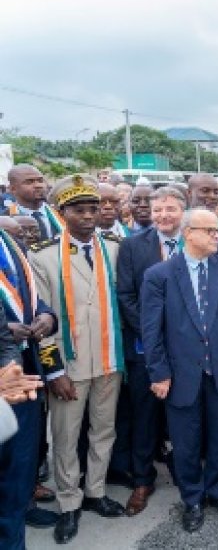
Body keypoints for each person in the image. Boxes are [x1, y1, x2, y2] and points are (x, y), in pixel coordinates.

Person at [141, 208, 218, 533]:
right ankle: (192, 497)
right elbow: (151, 330)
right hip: (180, 374)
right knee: (186, 442)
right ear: (189, 233)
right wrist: (158, 373)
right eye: (210, 231)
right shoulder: (159, 275)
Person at [29, 175, 125, 544]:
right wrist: (53, 369)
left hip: (109, 359)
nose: (88, 216)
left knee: (104, 430)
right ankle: (69, 503)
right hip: (68, 365)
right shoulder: (43, 255)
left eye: (93, 209)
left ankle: (95, 493)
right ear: (62, 212)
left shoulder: (115, 247)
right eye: (78, 210)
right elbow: (41, 317)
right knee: (65, 436)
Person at [115, 187, 187, 516]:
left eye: (170, 209)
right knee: (144, 415)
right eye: (157, 210)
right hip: (145, 347)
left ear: (183, 210)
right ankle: (143, 479)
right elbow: (126, 295)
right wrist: (153, 333)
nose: (163, 216)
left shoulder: (196, 243)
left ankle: (187, 475)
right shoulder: (132, 246)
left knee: (185, 413)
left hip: (189, 349)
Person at [0, 224, 58, 548]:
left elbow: (31, 299)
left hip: (22, 381)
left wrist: (48, 317)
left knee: (18, 474)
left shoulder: (12, 242)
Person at [3, 165, 63, 241]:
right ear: (13, 189)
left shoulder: (62, 214)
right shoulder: (5, 220)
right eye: (29, 182)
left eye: (40, 181)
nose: (38, 185)